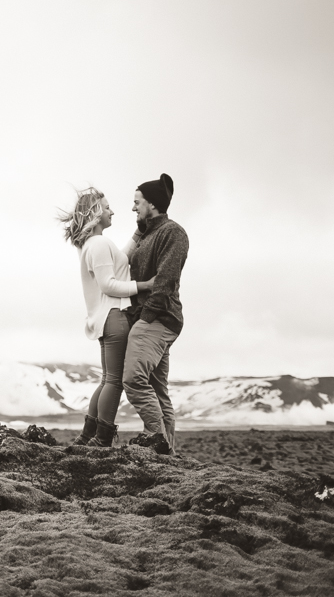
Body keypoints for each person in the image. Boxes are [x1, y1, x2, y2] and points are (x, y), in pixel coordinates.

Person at [60, 187, 154, 447]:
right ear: (96, 212)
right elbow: (109, 284)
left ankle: (87, 436)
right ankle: (102, 440)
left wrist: (138, 231)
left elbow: (120, 259)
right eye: (107, 206)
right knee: (114, 381)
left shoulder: (94, 244)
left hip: (105, 318)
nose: (112, 211)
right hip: (115, 316)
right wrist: (144, 285)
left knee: (107, 379)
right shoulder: (99, 244)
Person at [122, 173, 189, 455]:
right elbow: (121, 262)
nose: (133, 208)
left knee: (133, 380)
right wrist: (139, 229)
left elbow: (166, 280)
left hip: (157, 318)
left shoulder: (173, 232)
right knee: (158, 391)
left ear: (151, 203)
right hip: (155, 318)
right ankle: (169, 456)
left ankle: (158, 444)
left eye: (137, 202)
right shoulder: (148, 233)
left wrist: (145, 318)